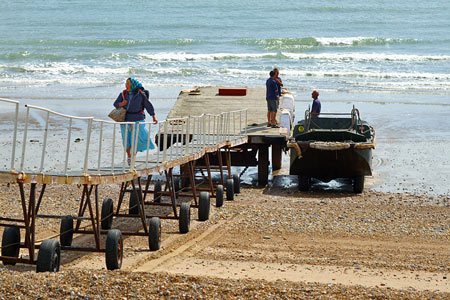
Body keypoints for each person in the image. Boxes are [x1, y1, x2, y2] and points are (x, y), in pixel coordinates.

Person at [113, 78, 158, 162]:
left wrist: (153, 117)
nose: (126, 85)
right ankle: (129, 156)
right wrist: (121, 104)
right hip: (125, 120)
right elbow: (115, 104)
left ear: (133, 85)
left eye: (128, 84)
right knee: (127, 140)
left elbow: (148, 105)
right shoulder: (123, 93)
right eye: (126, 83)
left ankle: (133, 155)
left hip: (138, 119)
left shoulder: (141, 94)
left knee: (138, 139)